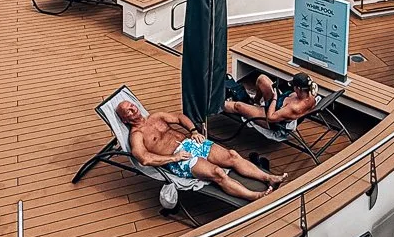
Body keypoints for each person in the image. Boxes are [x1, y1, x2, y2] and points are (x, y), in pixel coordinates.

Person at [114, 101, 284, 201]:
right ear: (124, 119)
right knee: (218, 173)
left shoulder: (156, 117)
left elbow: (180, 117)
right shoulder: (136, 135)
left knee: (232, 155)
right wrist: (174, 158)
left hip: (191, 142)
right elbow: (144, 158)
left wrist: (194, 131)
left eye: (132, 105)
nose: (133, 108)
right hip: (179, 158)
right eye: (128, 110)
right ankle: (255, 196)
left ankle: (269, 178)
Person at [224, 72, 318, 126]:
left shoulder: (295, 107)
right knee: (262, 79)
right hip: (278, 105)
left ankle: (215, 103)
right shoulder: (310, 94)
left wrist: (275, 99)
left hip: (270, 119)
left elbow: (270, 118)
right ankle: (254, 101)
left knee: (238, 106)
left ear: (298, 89)